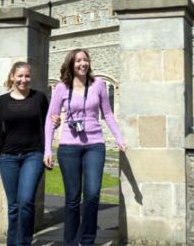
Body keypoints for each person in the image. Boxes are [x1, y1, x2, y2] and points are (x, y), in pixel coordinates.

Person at [44, 49, 126, 246]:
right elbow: (50, 118)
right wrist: (47, 148)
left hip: (94, 145)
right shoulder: (62, 88)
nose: (83, 63)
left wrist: (119, 138)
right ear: (71, 64)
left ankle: (88, 240)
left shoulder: (98, 85)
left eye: (85, 60)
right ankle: (71, 242)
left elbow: (107, 114)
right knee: (72, 198)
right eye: (78, 60)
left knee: (92, 194)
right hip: (68, 148)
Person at [0, 61, 54, 246]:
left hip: (33, 155)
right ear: (12, 76)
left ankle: (23, 243)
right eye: (19, 76)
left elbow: (48, 126)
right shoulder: (2, 101)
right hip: (7, 157)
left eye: (27, 76)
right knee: (13, 206)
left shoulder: (39, 98)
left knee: (26, 201)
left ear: (31, 78)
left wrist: (49, 148)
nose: (23, 80)